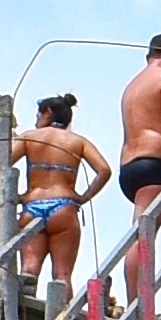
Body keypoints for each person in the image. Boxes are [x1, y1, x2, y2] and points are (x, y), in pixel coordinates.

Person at [15, 93, 97, 291]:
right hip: (63, 206)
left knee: (29, 269)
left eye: (38, 115)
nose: (36, 120)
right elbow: (104, 170)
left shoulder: (29, 137)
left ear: (48, 113)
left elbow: (0, 163)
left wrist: (17, 196)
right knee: (62, 275)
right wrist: (83, 197)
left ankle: (20, 316)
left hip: (32, 205)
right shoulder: (78, 141)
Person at [117, 34, 161, 232]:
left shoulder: (132, 86)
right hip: (152, 165)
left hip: (129, 167)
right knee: (143, 232)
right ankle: (137, 264)